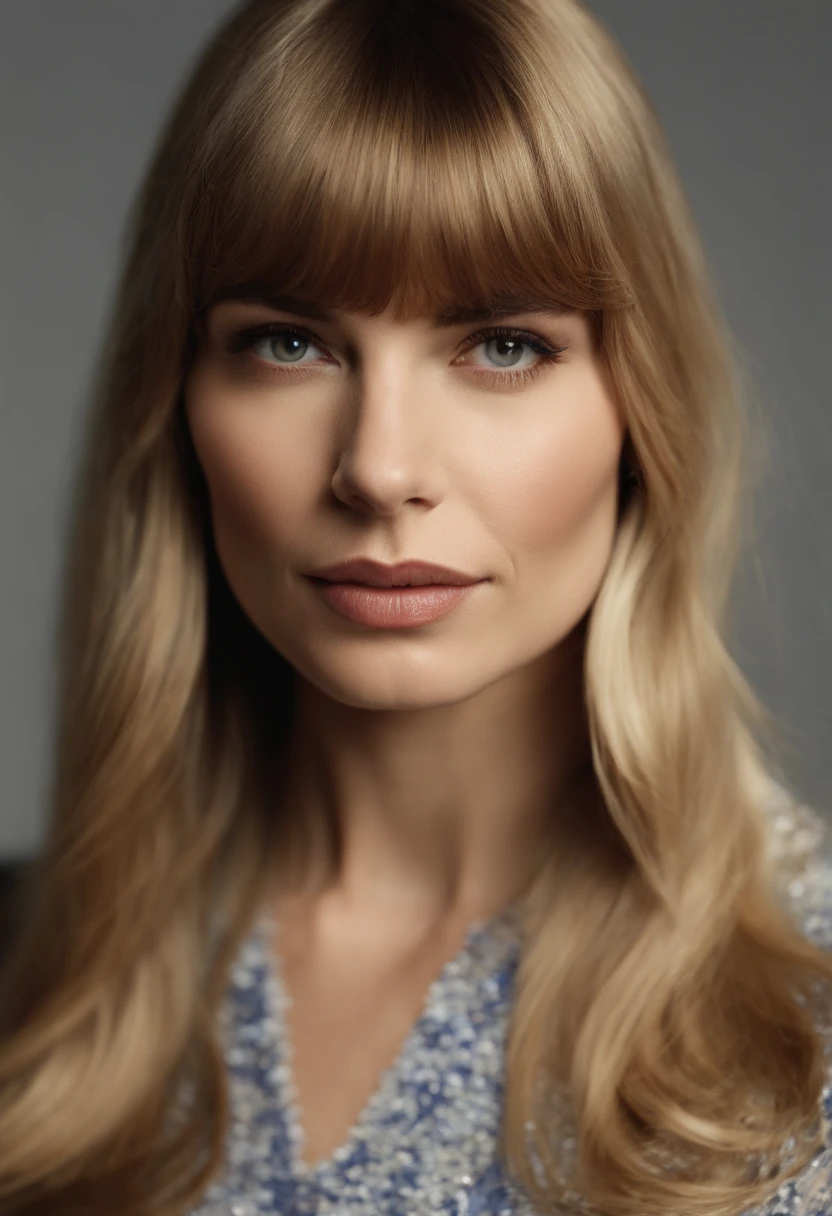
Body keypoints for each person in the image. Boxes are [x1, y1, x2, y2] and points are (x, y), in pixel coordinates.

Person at [0, 0, 831, 1213]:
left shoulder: (806, 1006)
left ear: (640, 406)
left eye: (500, 345)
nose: (381, 468)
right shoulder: (30, 972)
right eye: (287, 343)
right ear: (172, 403)